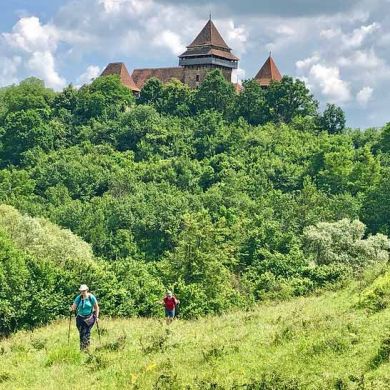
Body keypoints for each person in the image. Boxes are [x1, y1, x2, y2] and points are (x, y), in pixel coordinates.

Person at [70, 284, 99, 351]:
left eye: (84, 290)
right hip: (80, 318)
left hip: (89, 318)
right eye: (81, 291)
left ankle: (86, 349)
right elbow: (74, 307)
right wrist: (72, 308)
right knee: (81, 333)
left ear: (87, 290)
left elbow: (96, 307)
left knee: (87, 333)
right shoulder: (79, 298)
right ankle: (82, 349)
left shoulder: (91, 297)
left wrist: (97, 317)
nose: (82, 292)